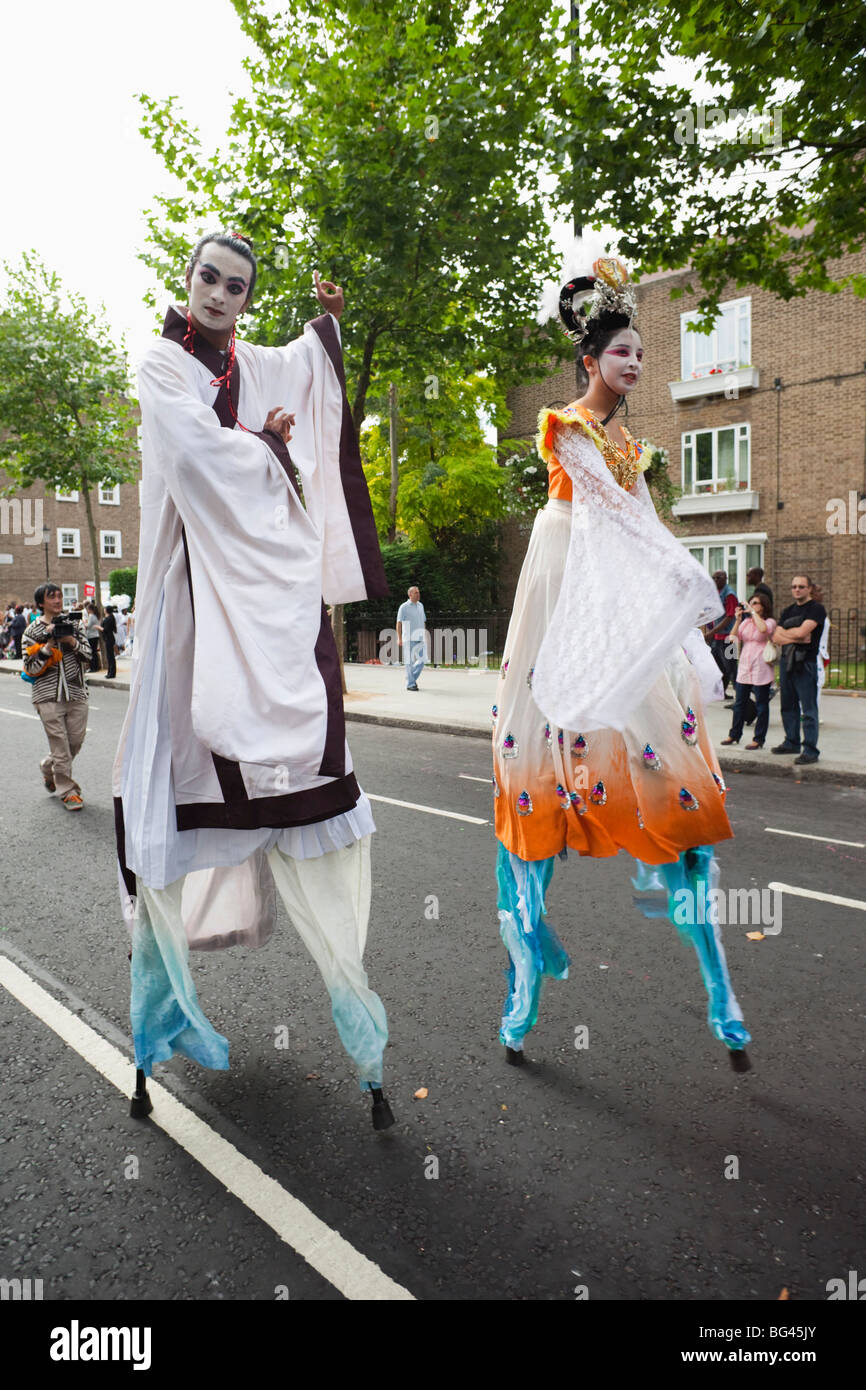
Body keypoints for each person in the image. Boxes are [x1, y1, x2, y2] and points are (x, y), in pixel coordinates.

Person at [113, 231, 394, 1128]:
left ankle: (365, 1041)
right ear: (187, 280)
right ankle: (156, 1033)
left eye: (238, 286)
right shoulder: (162, 362)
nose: (222, 294)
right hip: (190, 608)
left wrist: (327, 331)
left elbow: (301, 377)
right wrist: (266, 449)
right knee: (171, 790)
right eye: (210, 278)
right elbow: (198, 457)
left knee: (311, 783)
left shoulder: (251, 360)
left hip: (259, 605)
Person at [492, 257, 751, 1073]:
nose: (634, 363)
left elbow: (635, 517)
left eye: (641, 352)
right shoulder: (567, 426)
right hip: (565, 587)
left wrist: (676, 616)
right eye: (621, 352)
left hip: (614, 596)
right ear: (588, 360)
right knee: (533, 773)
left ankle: (720, 988)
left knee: (671, 776)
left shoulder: (632, 442)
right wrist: (683, 573)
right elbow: (608, 507)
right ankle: (525, 977)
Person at [21, 582, 91, 810]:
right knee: (60, 746)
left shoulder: (74, 624)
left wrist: (71, 641)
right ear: (41, 603)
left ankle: (47, 767)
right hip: (47, 695)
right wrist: (47, 646)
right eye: (52, 597)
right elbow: (30, 668)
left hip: (76, 692)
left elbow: (89, 655)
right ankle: (68, 791)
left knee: (75, 743)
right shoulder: (31, 631)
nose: (58, 601)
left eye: (60, 596)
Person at [772, 574, 827, 764]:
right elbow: (776, 637)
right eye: (794, 586)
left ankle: (810, 750)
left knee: (808, 710)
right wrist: (796, 637)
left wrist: (791, 634)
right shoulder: (788, 610)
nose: (797, 589)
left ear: (809, 588)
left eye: (801, 586)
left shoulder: (816, 609)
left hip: (806, 664)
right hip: (787, 663)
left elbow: (805, 632)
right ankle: (791, 742)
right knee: (788, 706)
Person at [721, 592, 777, 749]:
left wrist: (752, 612)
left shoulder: (769, 621)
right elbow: (732, 639)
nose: (752, 606)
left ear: (763, 606)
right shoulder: (746, 623)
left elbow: (764, 629)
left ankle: (758, 739)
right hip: (745, 668)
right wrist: (738, 620)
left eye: (756, 603)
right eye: (751, 603)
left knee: (761, 705)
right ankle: (734, 734)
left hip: (761, 668)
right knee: (739, 704)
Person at [705, 572, 739, 701]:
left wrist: (711, 632)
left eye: (718, 577)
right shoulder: (716, 593)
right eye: (713, 577)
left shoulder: (729, 594)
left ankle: (741, 697)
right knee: (717, 666)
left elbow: (730, 617)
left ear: (726, 578)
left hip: (728, 638)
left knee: (731, 667)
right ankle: (721, 692)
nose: (715, 580)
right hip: (717, 638)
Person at [396, 585, 426, 690]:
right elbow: (399, 623)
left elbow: (423, 621)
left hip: (420, 638)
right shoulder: (404, 607)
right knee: (409, 662)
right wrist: (399, 638)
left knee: (422, 661)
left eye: (418, 592)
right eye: (416, 593)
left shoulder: (421, 606)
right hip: (408, 638)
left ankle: (410, 677)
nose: (418, 594)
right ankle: (411, 684)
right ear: (410, 594)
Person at [84, 603, 102, 671]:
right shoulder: (95, 616)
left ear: (89, 609)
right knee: (94, 652)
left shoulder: (91, 616)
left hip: (91, 636)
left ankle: (93, 667)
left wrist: (83, 623)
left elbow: (88, 626)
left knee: (92, 652)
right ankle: (96, 666)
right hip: (95, 635)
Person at [101, 606, 117, 679]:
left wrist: (98, 627)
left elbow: (105, 629)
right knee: (110, 656)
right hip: (109, 638)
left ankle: (111, 673)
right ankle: (110, 672)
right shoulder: (109, 618)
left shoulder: (109, 619)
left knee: (110, 656)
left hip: (109, 638)